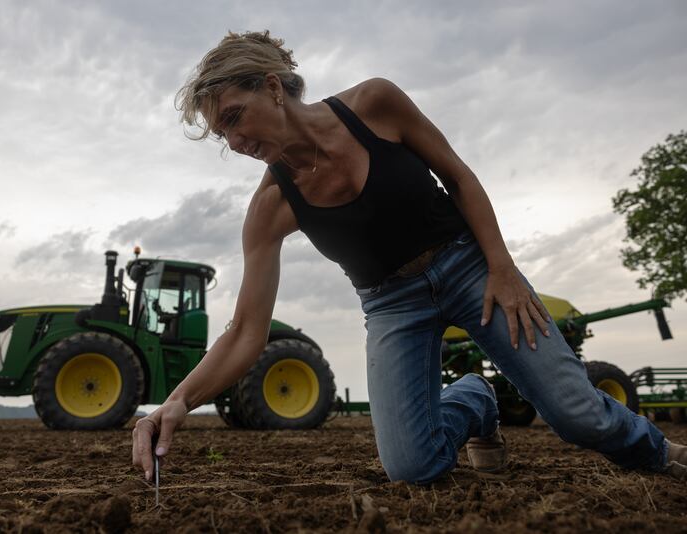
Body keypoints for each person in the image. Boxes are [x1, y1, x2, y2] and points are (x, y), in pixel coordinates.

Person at [132, 30, 686, 483]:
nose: (233, 140)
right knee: (411, 467)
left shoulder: (375, 104)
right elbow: (246, 332)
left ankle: (658, 452)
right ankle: (474, 399)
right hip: (392, 305)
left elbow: (458, 176)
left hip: (470, 267)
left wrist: (503, 268)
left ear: (273, 88)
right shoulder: (271, 207)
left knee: (578, 416)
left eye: (233, 116)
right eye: (220, 132)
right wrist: (178, 402)